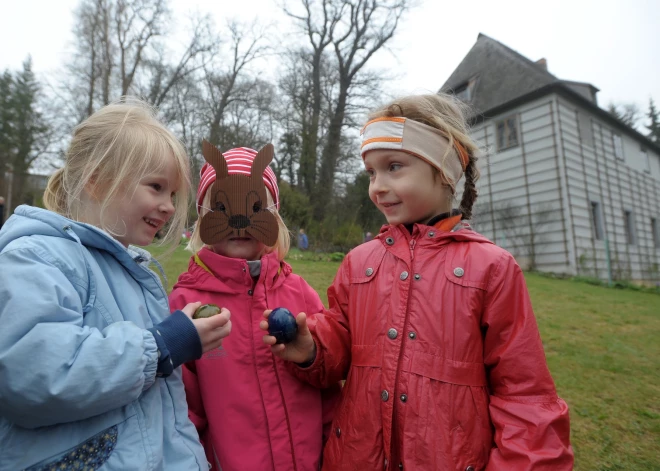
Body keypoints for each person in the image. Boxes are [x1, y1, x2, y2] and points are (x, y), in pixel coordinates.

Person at [261, 94, 574, 470]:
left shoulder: (492, 268)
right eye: (372, 173)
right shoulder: (358, 263)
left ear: (444, 170)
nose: (377, 186)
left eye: (394, 167)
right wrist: (313, 348)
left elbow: (525, 397)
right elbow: (342, 341)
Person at [0, 99, 232, 471]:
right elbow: (33, 374)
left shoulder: (134, 270)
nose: (169, 206)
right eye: (156, 187)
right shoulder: (35, 258)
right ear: (96, 179)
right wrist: (161, 347)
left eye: (172, 194)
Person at [169, 141, 340, 471]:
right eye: (222, 207)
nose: (239, 220)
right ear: (205, 216)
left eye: (254, 208)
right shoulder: (186, 305)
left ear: (272, 216)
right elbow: (183, 408)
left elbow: (329, 384)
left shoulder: (301, 294)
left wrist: (311, 356)